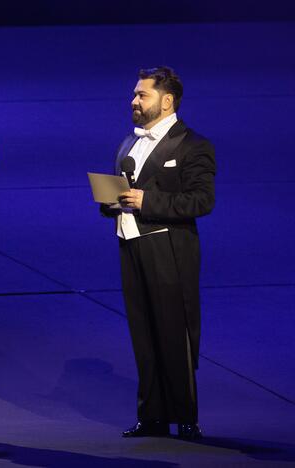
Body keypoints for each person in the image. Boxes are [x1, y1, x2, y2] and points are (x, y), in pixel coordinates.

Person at [101, 66, 215, 440]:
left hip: (169, 247)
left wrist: (147, 200)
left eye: (142, 95)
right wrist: (110, 200)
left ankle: (185, 415)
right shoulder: (128, 143)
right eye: (134, 94)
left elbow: (200, 200)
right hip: (131, 243)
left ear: (167, 101)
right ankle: (151, 414)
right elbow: (124, 190)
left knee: (173, 330)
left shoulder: (192, 145)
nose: (134, 101)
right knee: (143, 330)